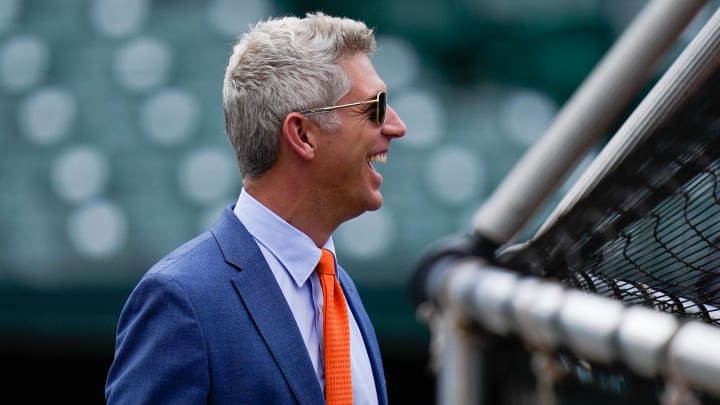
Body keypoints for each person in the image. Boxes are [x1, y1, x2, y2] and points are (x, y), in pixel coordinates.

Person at [104, 11, 407, 405]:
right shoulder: (181, 300)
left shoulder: (339, 290)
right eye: (376, 106)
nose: (396, 126)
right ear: (302, 135)